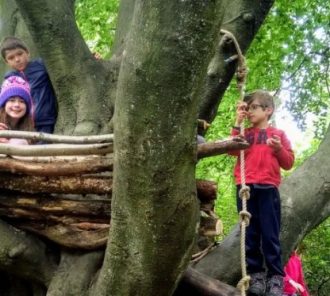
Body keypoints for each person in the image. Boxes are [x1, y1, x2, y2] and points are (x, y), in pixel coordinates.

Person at [229, 90, 295, 296]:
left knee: (270, 235)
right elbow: (232, 149)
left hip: (268, 188)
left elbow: (288, 162)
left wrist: (278, 149)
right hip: (246, 188)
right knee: (250, 235)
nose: (249, 112)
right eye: (246, 109)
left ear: (268, 110)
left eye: (253, 108)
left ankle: (276, 279)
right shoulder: (245, 132)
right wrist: (236, 122)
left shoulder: (278, 135)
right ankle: (256, 276)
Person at [0, 36, 57, 133]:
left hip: (45, 120)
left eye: (20, 54)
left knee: (42, 147)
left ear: (27, 52)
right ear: (7, 62)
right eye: (11, 58)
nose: (17, 59)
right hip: (22, 124)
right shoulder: (10, 79)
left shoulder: (41, 66)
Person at [0, 76, 34, 145]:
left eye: (22, 101)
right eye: (12, 100)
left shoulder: (30, 128)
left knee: (20, 142)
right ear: (4, 105)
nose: (17, 105)